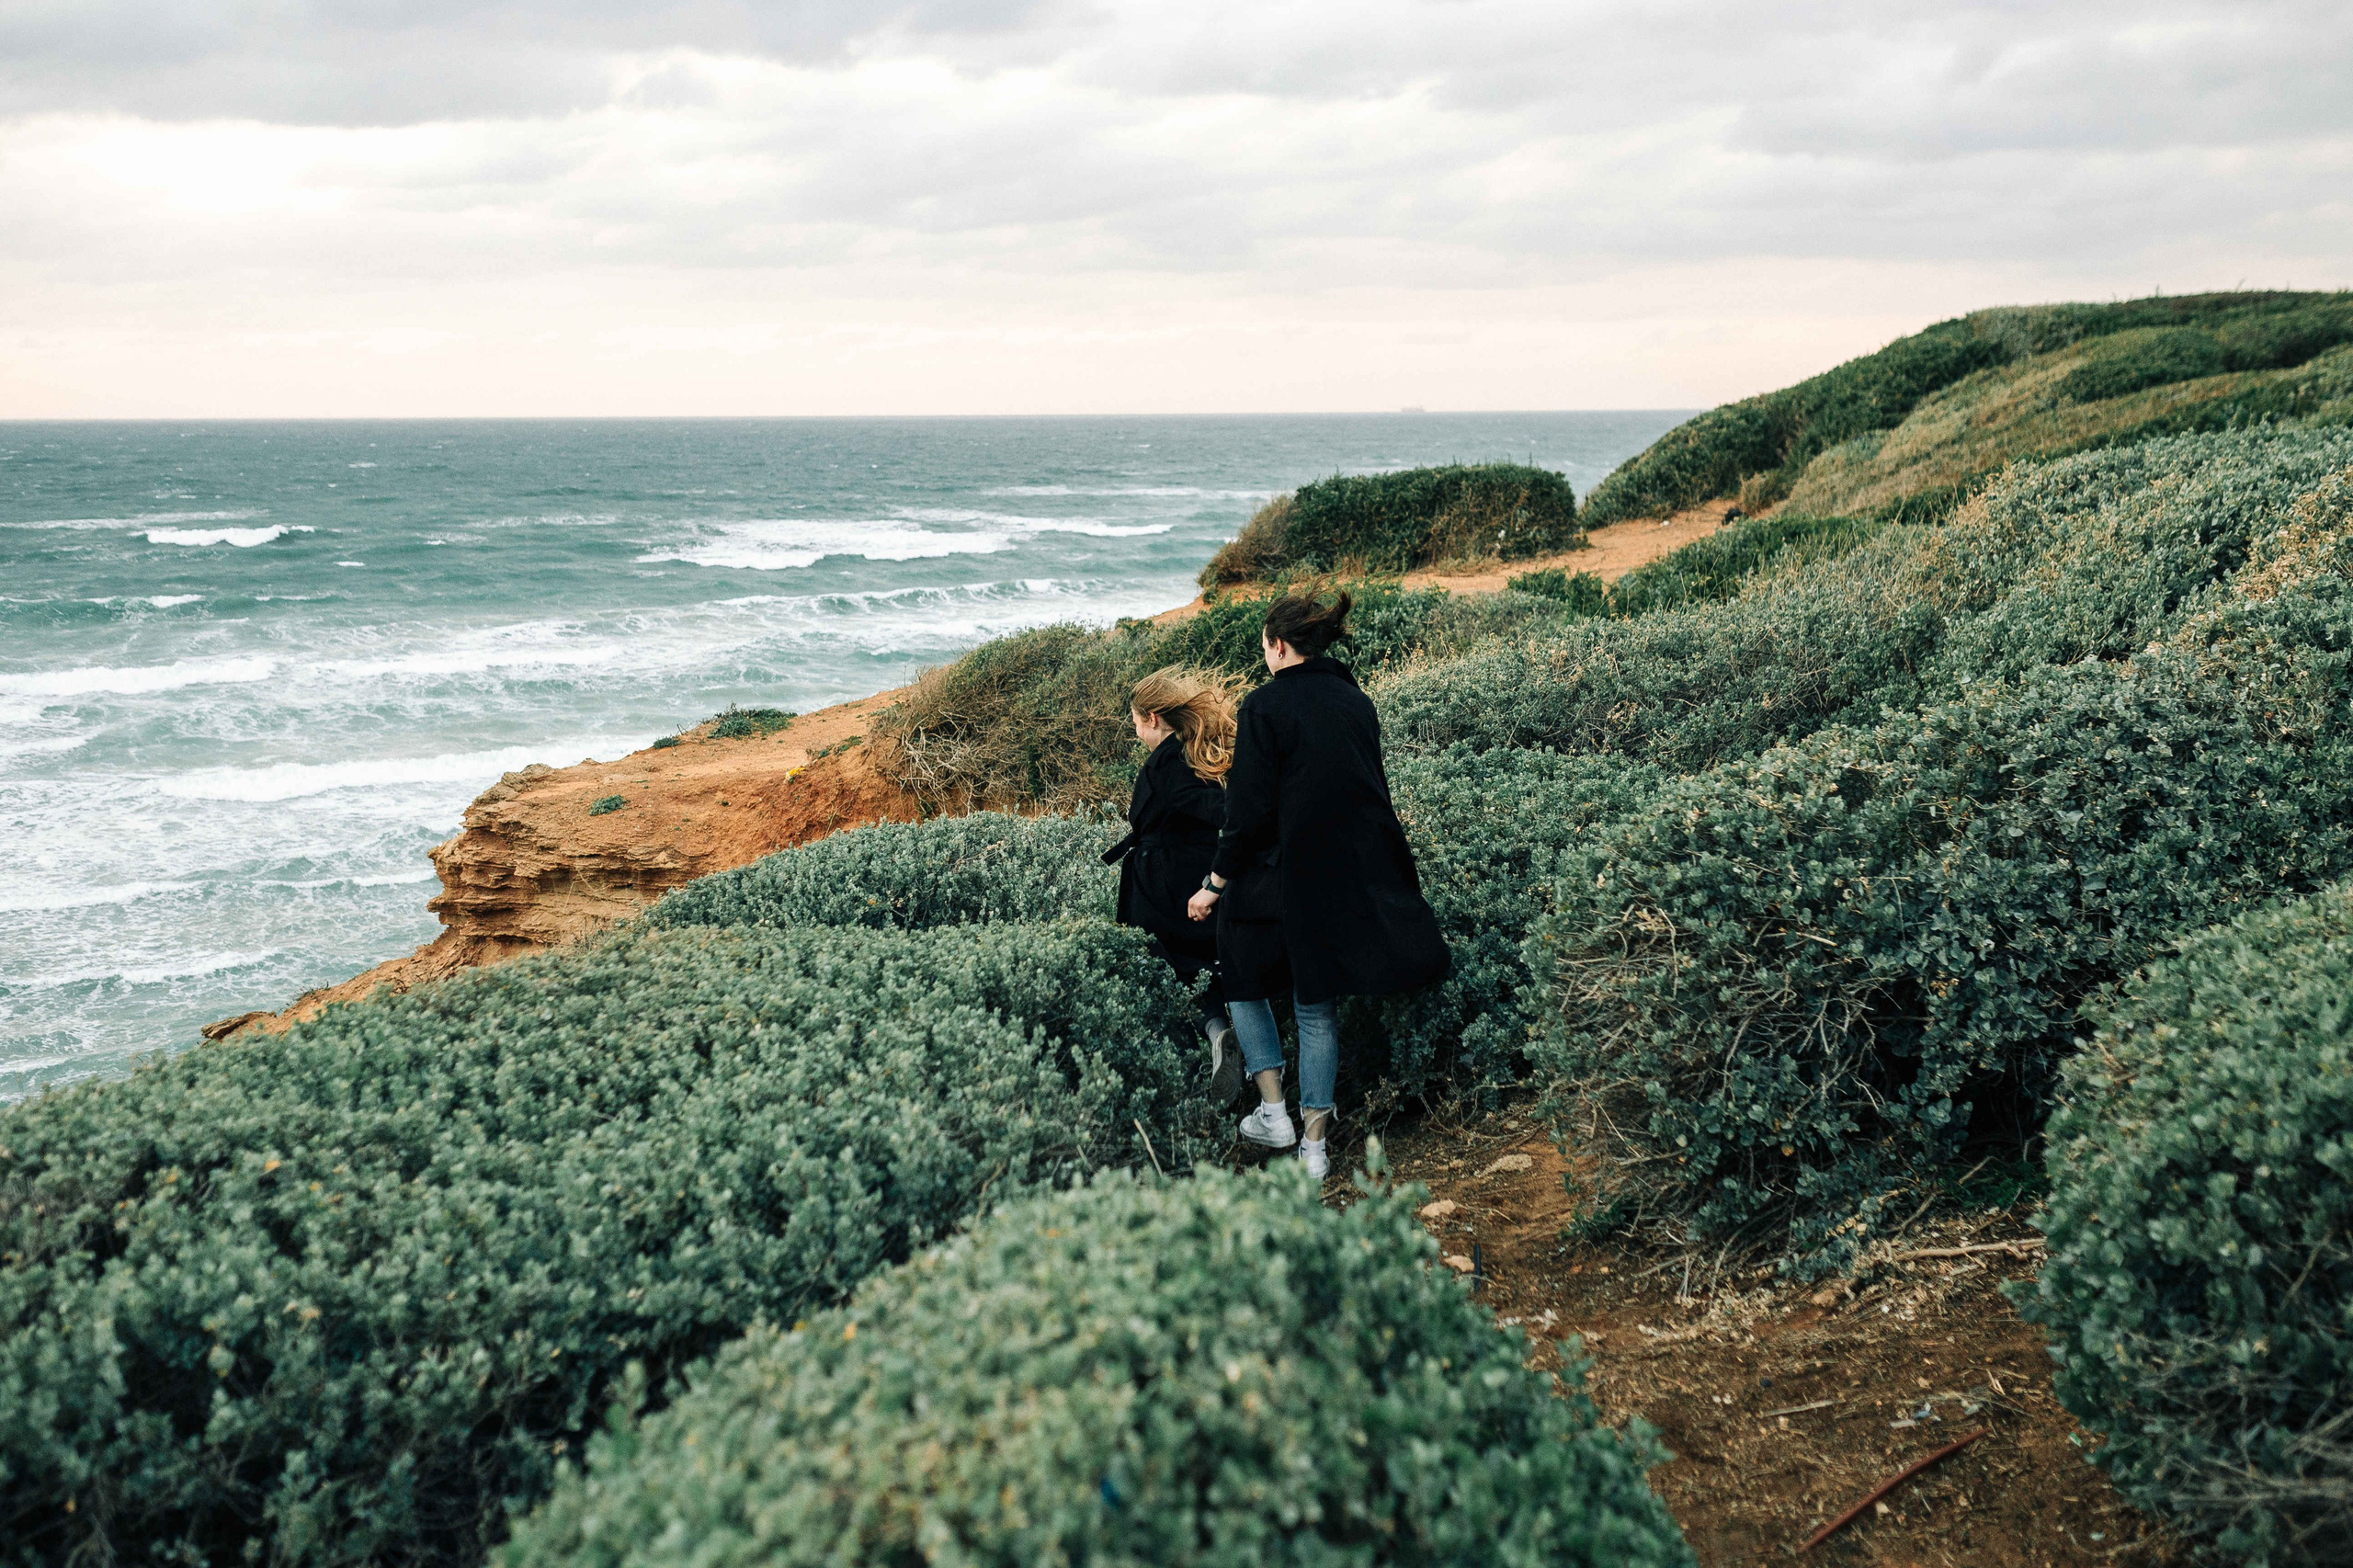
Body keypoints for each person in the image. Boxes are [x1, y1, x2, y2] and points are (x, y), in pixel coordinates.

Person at [1187, 589, 1450, 1180]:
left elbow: (1249, 812)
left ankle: (1274, 1110)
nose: (1264, 656)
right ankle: (1315, 1150)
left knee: (1239, 969)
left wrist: (1214, 882)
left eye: (1264, 646)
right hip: (1343, 875)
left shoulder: (1264, 705)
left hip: (1278, 877)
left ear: (1279, 646)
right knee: (1317, 1005)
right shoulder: (1356, 701)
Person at [1102, 665, 1245, 1103]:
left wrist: (1243, 814)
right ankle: (1222, 1037)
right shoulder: (1193, 751)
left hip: (1164, 889)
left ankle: (1211, 1038)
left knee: (1164, 968)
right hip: (1193, 877)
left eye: (1134, 720)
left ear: (1151, 718)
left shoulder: (1165, 763)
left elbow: (1213, 809)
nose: (1135, 730)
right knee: (1198, 963)